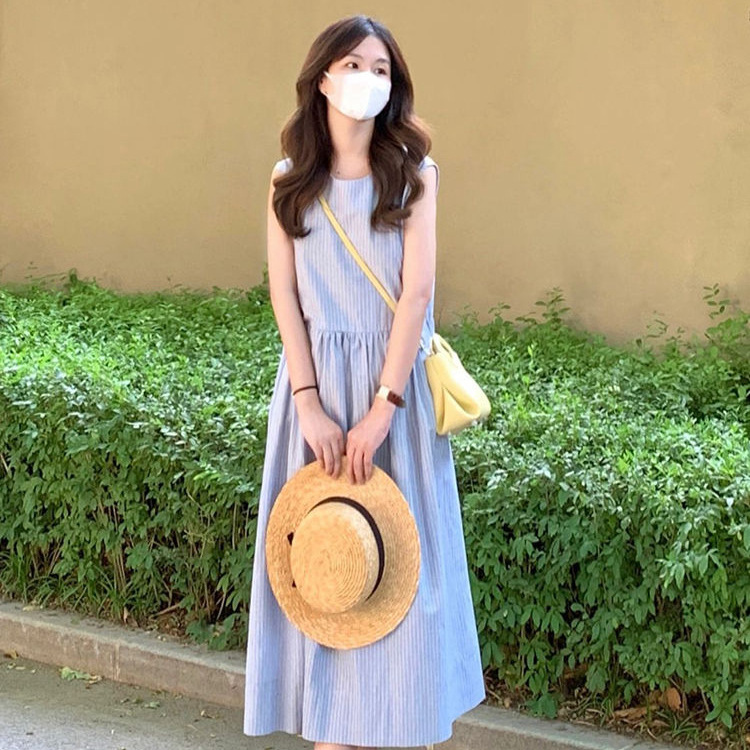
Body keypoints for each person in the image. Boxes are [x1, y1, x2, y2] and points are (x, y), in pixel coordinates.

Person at [243, 13, 486, 749]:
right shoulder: (288, 182)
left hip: (393, 397)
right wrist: (308, 404)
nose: (368, 80)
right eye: (354, 65)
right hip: (313, 398)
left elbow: (416, 295)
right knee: (327, 571)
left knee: (399, 583)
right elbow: (284, 296)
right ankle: (330, 734)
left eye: (381, 69)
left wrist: (382, 408)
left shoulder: (413, 176)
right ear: (322, 79)